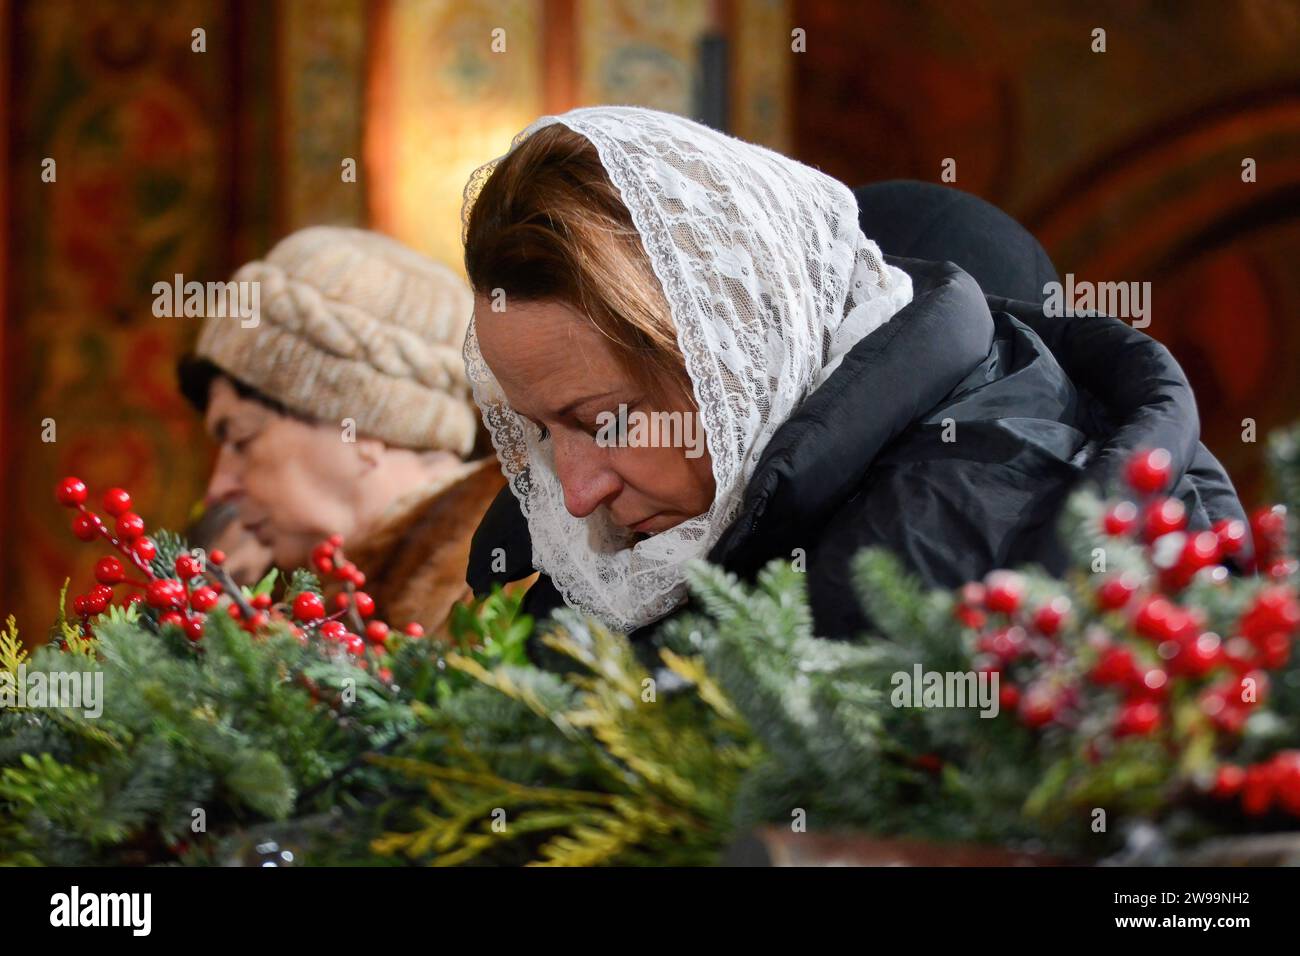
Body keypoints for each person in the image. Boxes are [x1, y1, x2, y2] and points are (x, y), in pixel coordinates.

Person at [461, 106, 1246, 641]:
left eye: (606, 422)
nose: (574, 492)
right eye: (537, 430)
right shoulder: (614, 546)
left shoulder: (972, 537)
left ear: (738, 354)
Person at [179, 226, 505, 632]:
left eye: (242, 438)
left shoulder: (514, 592)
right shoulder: (295, 602)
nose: (219, 488)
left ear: (368, 429)